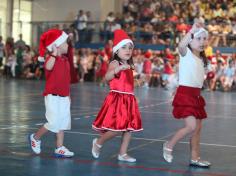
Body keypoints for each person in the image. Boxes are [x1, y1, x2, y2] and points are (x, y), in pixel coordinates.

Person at [162, 22, 211, 167]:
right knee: (191, 126)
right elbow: (181, 45)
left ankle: (195, 158)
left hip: (196, 96)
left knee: (197, 130)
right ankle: (169, 145)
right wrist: (192, 31)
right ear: (191, 40)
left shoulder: (202, 60)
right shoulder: (186, 53)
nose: (202, 42)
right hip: (185, 95)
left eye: (204, 39)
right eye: (198, 38)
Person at [92, 29, 143, 162]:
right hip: (117, 100)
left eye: (130, 48)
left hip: (128, 99)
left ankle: (123, 153)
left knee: (128, 129)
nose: (128, 50)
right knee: (116, 129)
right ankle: (98, 142)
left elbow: (128, 83)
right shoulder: (115, 63)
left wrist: (137, 84)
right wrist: (116, 70)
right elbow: (107, 77)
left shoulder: (129, 66)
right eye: (124, 47)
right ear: (116, 51)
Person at [29, 29, 74, 158]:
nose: (68, 46)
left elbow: (67, 80)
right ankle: (36, 137)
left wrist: (68, 95)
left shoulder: (65, 61)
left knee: (63, 123)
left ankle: (59, 147)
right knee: (53, 122)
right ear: (57, 45)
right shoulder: (51, 58)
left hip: (64, 96)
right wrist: (54, 54)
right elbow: (48, 67)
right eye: (65, 43)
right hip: (52, 96)